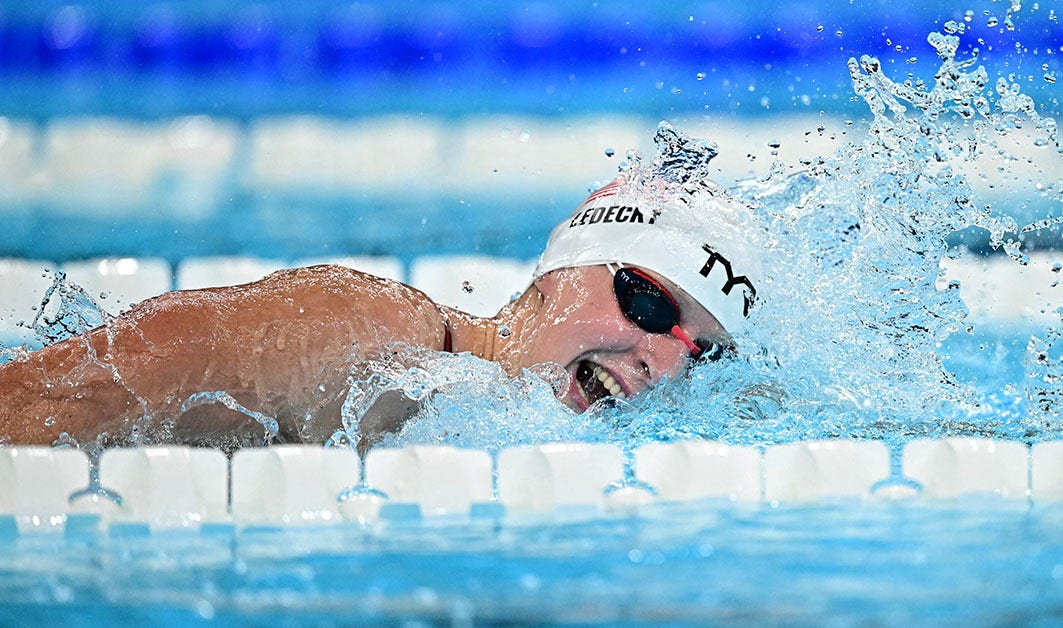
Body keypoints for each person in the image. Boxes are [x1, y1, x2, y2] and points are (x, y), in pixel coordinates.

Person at [0, 176, 762, 449]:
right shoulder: (349, 334)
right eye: (648, 301)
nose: (659, 364)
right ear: (557, 274)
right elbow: (41, 402)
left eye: (704, 351)